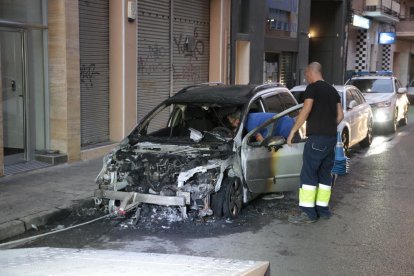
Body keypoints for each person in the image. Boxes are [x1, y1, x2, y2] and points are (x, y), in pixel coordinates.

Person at [286, 62, 344, 224]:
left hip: (317, 138)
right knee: (325, 174)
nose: (306, 77)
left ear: (311, 72)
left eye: (306, 74)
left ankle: (308, 213)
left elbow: (305, 110)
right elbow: (340, 115)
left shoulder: (313, 88)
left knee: (308, 174)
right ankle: (323, 210)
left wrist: (293, 131)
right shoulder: (332, 90)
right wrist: (328, 125)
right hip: (331, 138)